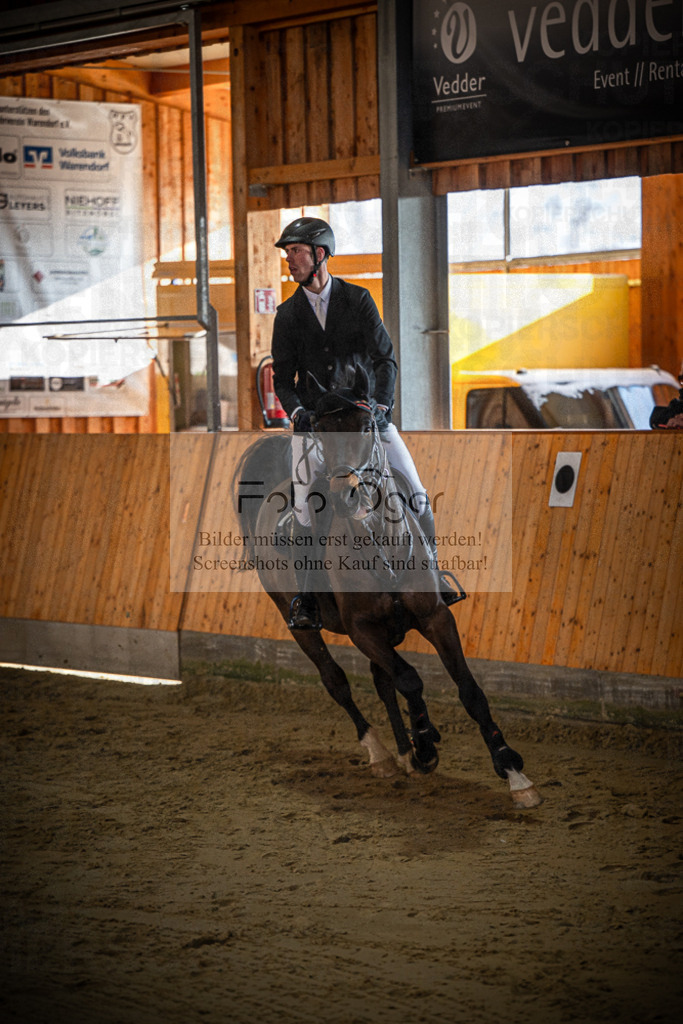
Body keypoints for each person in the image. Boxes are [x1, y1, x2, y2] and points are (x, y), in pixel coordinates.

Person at [270, 216, 461, 629]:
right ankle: (306, 597)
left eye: (297, 252)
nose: (290, 261)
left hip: (364, 419)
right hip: (316, 425)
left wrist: (381, 405)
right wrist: (297, 412)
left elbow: (384, 359)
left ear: (320, 255)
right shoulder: (287, 315)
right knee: (304, 508)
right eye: (288, 254)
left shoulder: (358, 300)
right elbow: (283, 378)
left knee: (417, 492)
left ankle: (435, 577)